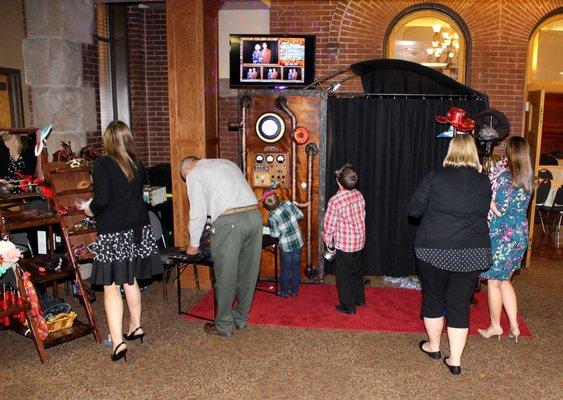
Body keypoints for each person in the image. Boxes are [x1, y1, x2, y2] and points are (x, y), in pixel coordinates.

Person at [408, 134, 492, 375]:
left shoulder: (436, 177)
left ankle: (433, 347)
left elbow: (413, 211)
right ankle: (455, 360)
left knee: (433, 297)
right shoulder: (484, 182)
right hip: (471, 253)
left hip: (434, 250)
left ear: (451, 151)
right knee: (459, 304)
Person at [80, 121, 161, 362]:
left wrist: (88, 210)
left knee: (110, 285)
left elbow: (102, 200)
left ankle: (118, 342)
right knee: (130, 279)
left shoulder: (103, 164)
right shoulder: (137, 163)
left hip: (114, 232)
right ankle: (136, 326)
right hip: (138, 229)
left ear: (107, 140)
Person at [180, 157, 262, 338]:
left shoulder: (194, 173)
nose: (187, 182)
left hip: (231, 223)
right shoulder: (227, 163)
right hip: (255, 217)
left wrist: (193, 244)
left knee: (226, 274)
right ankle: (240, 319)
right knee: (248, 273)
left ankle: (224, 325)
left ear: (187, 170)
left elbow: (198, 212)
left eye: (185, 179)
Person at [478, 136, 534, 342]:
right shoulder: (528, 178)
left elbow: (499, 210)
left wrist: (486, 199)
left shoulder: (504, 177)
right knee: (505, 281)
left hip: (503, 234)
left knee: (493, 282)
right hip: (520, 232)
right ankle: (515, 327)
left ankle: (495, 326)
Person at [322, 164, 366, 315]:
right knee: (357, 271)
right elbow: (363, 216)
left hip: (345, 245)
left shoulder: (335, 201)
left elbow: (329, 225)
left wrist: (328, 243)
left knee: (344, 276)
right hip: (359, 241)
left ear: (339, 182)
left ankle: (348, 306)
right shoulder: (359, 194)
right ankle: (359, 299)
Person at [262, 190, 304, 297]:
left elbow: (275, 235)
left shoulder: (272, 217)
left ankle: (284, 291)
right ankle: (294, 291)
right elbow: (300, 215)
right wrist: (290, 222)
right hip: (298, 241)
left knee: (285, 268)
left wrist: (270, 230)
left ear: (267, 207)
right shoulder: (288, 203)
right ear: (277, 197)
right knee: (296, 267)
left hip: (285, 246)